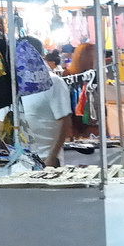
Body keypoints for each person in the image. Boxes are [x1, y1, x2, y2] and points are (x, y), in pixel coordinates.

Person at [11, 35, 73, 167]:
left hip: (46, 161)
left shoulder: (54, 82)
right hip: (19, 163)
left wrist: (53, 156)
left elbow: (65, 121)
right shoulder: (14, 85)